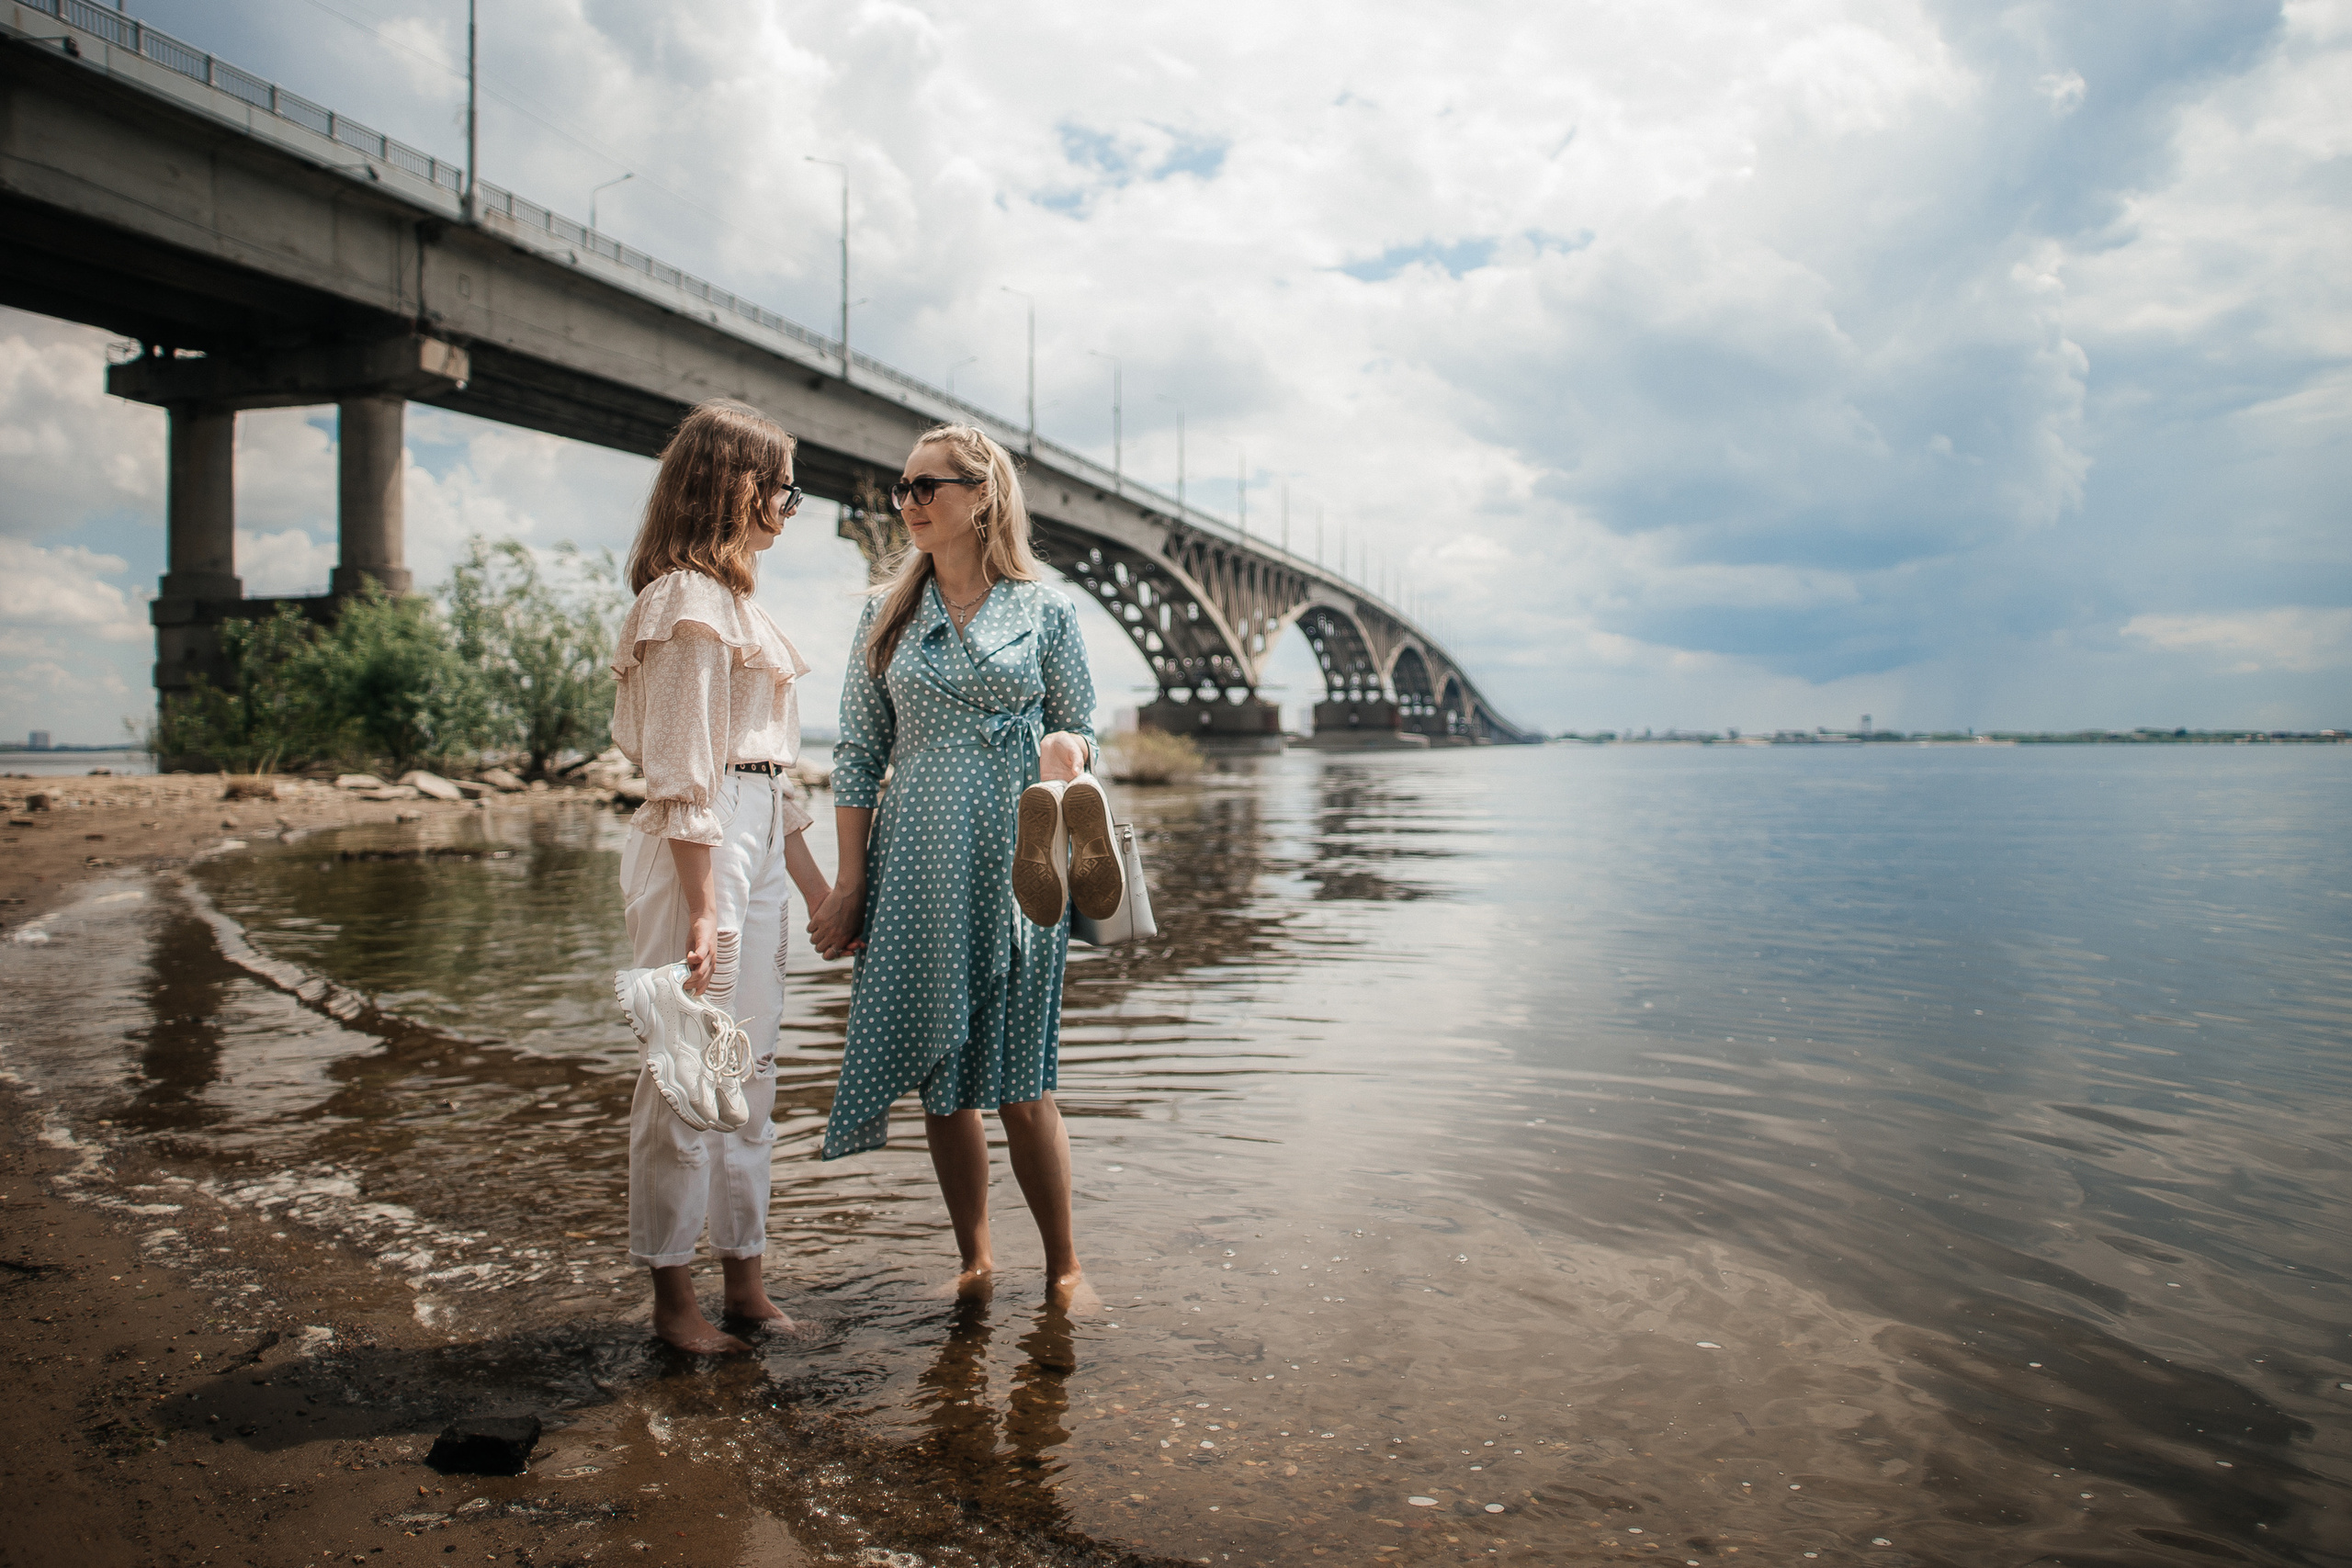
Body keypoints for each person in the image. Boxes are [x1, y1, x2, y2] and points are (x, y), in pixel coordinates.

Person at [808, 423, 1101, 1311]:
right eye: (901, 489)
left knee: (1023, 1080)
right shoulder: (885, 613)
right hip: (917, 871)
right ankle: (976, 1260)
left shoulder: (1046, 612)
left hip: (1023, 867)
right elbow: (858, 756)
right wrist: (850, 883)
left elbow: (1084, 726)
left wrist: (1067, 748)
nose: (908, 504)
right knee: (946, 1084)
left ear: (983, 496)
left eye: (925, 487)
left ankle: (1065, 1269)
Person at [611, 398, 831, 1354]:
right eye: (779, 481)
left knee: (756, 1072)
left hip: (749, 836)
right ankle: (673, 1301)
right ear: (728, 484)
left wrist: (819, 889)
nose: (790, 500)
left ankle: (746, 1280)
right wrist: (705, 906)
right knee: (686, 1070)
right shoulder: (685, 603)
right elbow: (682, 772)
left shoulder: (742, 608)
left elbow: (768, 776)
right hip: (697, 848)